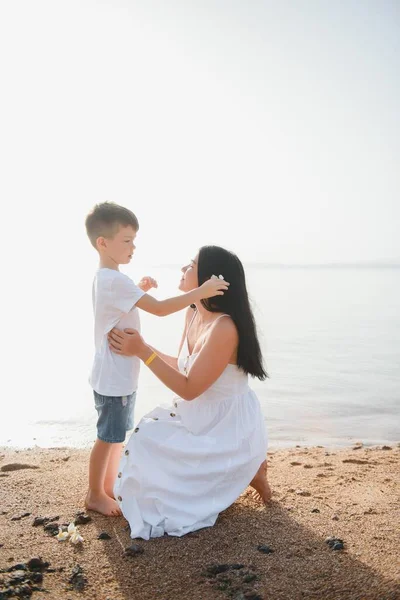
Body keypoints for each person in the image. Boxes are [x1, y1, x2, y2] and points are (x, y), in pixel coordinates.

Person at [108, 245, 271, 539]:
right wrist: (140, 348)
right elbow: (184, 366)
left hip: (226, 425)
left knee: (149, 448)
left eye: (191, 265)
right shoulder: (193, 312)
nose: (184, 269)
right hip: (198, 413)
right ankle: (249, 469)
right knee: (146, 437)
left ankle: (250, 464)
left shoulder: (225, 328)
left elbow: (189, 388)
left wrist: (143, 352)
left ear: (210, 278)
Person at [84, 204, 229, 516]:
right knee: (107, 437)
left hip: (117, 373)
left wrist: (138, 289)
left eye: (134, 241)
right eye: (126, 241)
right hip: (114, 376)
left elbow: (118, 307)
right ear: (103, 243)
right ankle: (95, 493)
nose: (133, 247)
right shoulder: (113, 280)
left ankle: (107, 489)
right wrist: (201, 291)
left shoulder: (109, 279)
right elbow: (161, 309)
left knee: (114, 436)